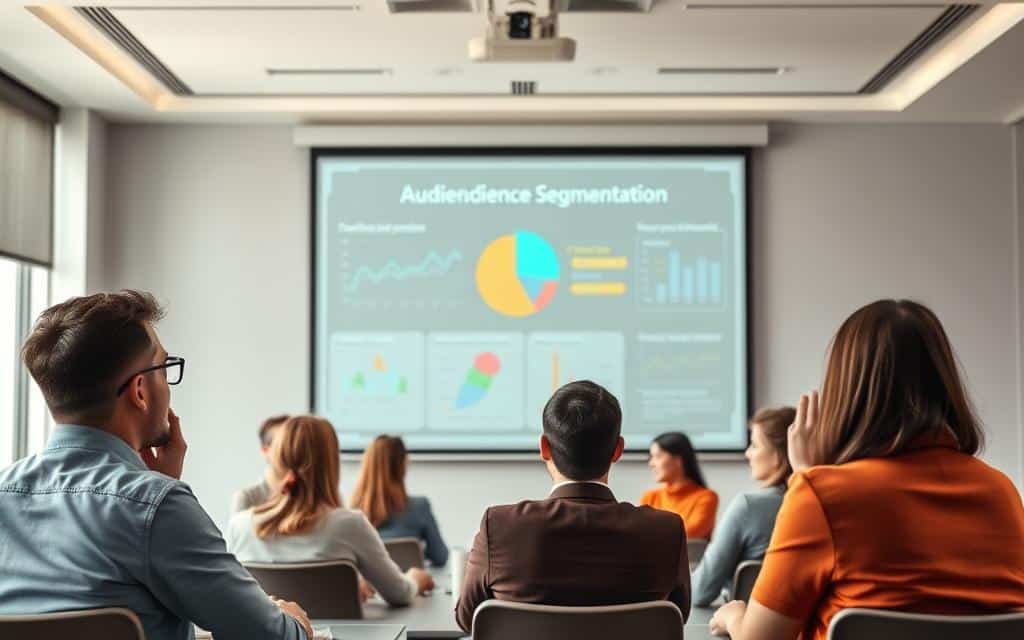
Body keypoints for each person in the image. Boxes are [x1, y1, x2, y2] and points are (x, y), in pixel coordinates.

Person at [0, 290, 312, 640]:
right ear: (140, 391)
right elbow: (269, 637)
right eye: (164, 368)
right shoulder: (157, 507)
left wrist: (152, 488)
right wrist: (293, 622)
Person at [710, 300, 1024, 640]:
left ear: (845, 392)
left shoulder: (823, 495)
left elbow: (760, 639)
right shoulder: (1001, 492)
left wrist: (733, 615)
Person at [455, 380, 691, 633]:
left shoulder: (499, 525)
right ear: (617, 450)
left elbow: (469, 620)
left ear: (544, 447)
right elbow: (677, 617)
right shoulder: (666, 530)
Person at [227, 416, 434, 606]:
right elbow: (399, 594)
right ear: (331, 463)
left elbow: (233, 595)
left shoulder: (240, 525)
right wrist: (414, 579)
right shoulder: (350, 525)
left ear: (278, 458)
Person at [691, 406, 795, 606]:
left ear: (777, 456)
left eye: (755, 445)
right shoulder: (822, 503)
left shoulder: (748, 507)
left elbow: (701, 591)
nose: (748, 453)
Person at [350, 435, 449, 567]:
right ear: (402, 466)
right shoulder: (420, 507)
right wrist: (417, 554)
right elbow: (440, 556)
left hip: (367, 587)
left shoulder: (351, 514)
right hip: (409, 586)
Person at [640, 431, 719, 539]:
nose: (651, 464)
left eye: (658, 456)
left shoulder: (706, 497)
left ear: (678, 459)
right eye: (651, 457)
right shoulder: (650, 497)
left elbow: (690, 533)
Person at [232, 414, 290, 513]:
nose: (292, 450)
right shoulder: (246, 498)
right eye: (283, 444)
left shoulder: (310, 495)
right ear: (265, 450)